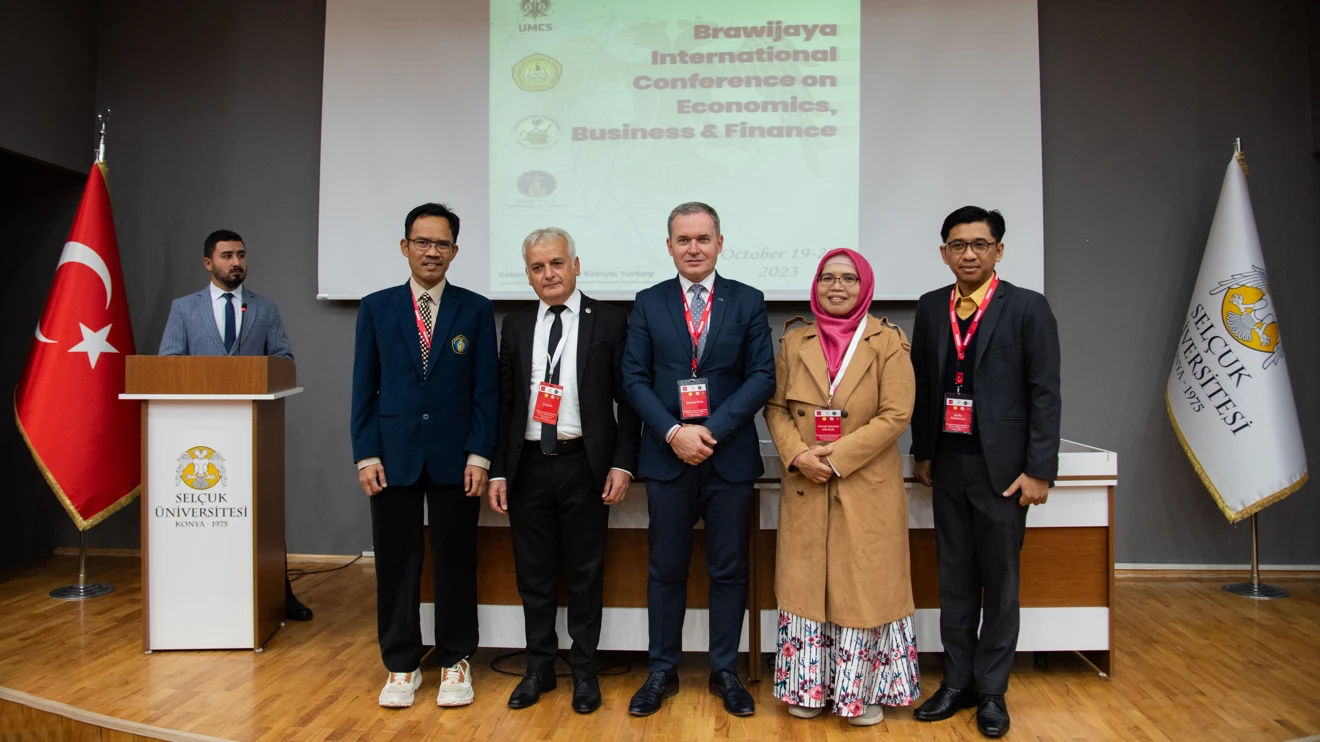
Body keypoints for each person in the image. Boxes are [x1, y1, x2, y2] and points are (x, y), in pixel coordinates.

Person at [909, 206, 1061, 738]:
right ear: (944, 252)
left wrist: (1040, 469)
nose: (968, 253)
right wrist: (921, 452)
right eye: (957, 244)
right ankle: (957, 682)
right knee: (952, 576)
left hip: (1006, 471)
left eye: (979, 243)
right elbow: (924, 386)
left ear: (998, 250)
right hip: (948, 464)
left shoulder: (1027, 307)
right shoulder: (931, 308)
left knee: (1000, 582)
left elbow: (1045, 392)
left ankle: (992, 691)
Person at [621, 202, 775, 718]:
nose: (693, 248)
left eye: (702, 239)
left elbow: (761, 376)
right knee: (665, 569)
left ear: (719, 243)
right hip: (667, 459)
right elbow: (633, 380)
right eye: (683, 240)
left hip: (728, 457)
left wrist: (708, 431)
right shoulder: (647, 302)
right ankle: (661, 670)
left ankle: (725, 671)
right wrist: (672, 432)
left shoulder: (748, 301)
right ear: (669, 246)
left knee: (729, 571)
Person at [487, 227, 641, 714]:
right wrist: (497, 471)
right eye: (537, 267)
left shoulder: (611, 321)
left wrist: (622, 462)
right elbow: (504, 402)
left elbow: (629, 400)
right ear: (528, 275)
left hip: (584, 466)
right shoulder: (514, 325)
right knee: (533, 575)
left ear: (576, 265)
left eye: (556, 263)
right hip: (528, 465)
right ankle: (537, 670)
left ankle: (584, 673)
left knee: (584, 575)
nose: (548, 274)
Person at [350, 203, 497, 709]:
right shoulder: (376, 307)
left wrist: (480, 456)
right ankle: (401, 664)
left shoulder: (475, 309)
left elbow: (486, 392)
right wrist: (365, 453)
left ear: (455, 251)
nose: (431, 251)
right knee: (396, 562)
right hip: (392, 457)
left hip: (457, 460)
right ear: (404, 246)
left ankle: (456, 659)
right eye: (422, 242)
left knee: (456, 559)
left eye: (441, 244)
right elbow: (362, 390)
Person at [764, 248, 920, 726]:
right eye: (828, 278)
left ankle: (862, 693)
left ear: (864, 285)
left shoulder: (888, 340)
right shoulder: (794, 340)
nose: (837, 287)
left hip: (864, 482)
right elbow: (775, 408)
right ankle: (808, 688)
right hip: (805, 482)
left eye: (848, 279)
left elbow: (897, 414)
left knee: (864, 589)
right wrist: (797, 455)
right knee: (806, 587)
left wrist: (836, 459)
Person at [158, 229, 311, 623]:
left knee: (262, 511)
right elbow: (169, 363)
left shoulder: (264, 309)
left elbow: (283, 357)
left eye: (241, 255)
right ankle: (204, 592)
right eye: (227, 256)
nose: (236, 262)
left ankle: (278, 593)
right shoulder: (184, 308)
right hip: (198, 433)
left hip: (252, 430)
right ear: (209, 263)